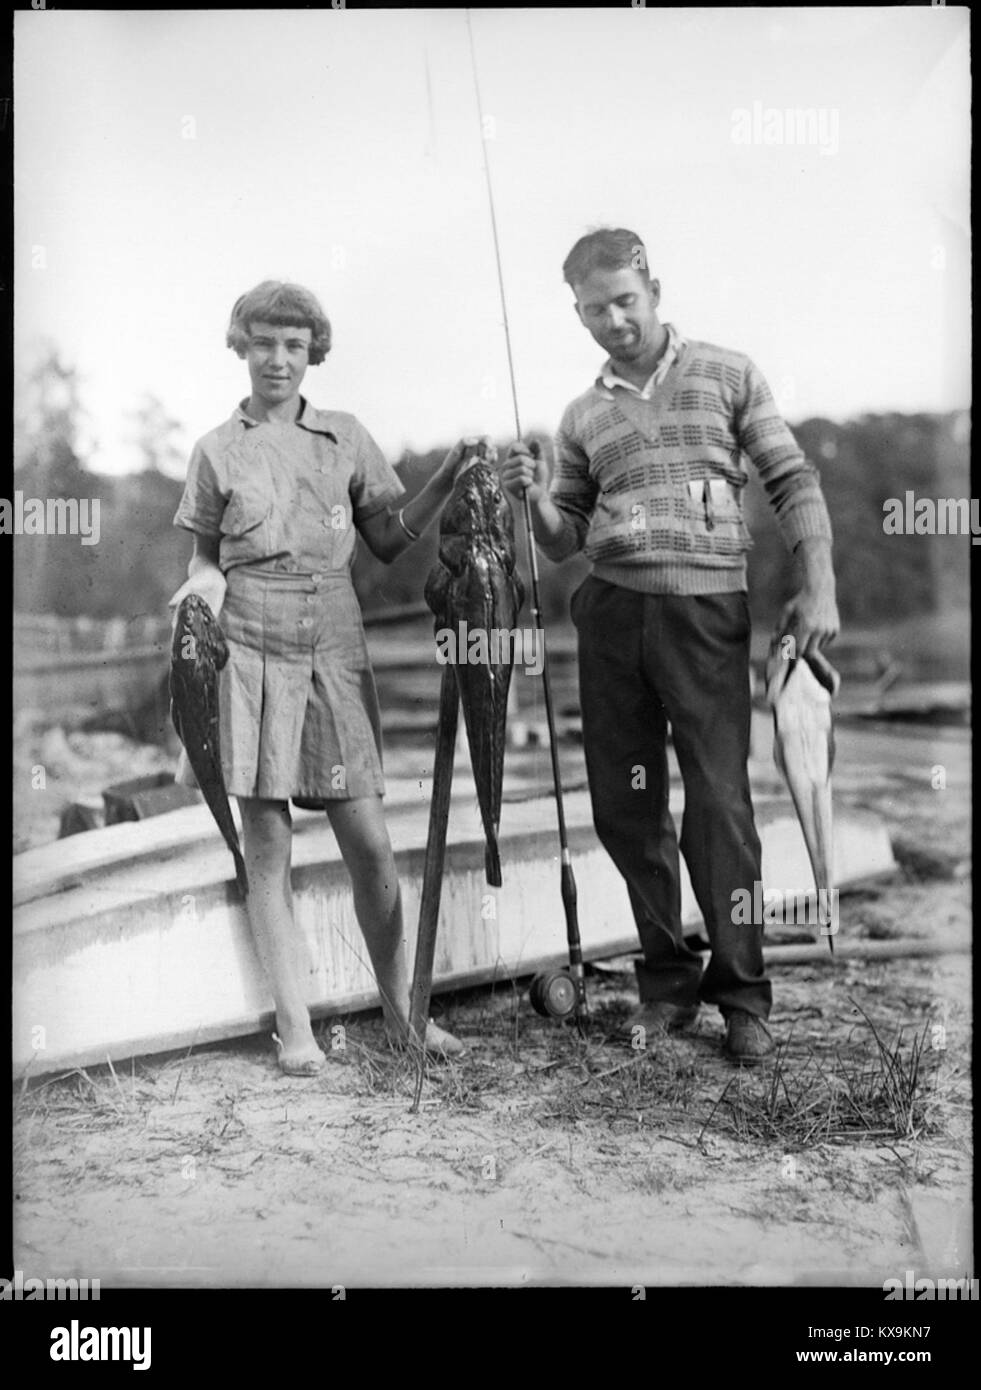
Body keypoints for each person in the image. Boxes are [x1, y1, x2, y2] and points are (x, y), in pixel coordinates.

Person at [501, 229, 839, 1065]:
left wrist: (818, 582)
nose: (613, 320)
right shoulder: (581, 414)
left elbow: (791, 478)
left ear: (653, 288)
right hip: (610, 614)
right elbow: (564, 536)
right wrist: (538, 501)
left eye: (625, 300)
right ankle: (665, 983)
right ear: (575, 313)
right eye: (593, 309)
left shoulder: (727, 371)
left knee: (720, 806)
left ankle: (741, 994)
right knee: (624, 807)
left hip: (704, 614)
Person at [171, 280, 473, 1075]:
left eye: (294, 346)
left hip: (332, 639)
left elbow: (385, 537)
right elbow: (204, 554)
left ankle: (406, 1018)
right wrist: (203, 583)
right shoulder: (216, 449)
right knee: (265, 845)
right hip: (249, 639)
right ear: (241, 346)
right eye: (264, 343)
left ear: (313, 354)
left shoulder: (344, 437)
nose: (278, 359)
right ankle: (295, 1032)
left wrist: (446, 474)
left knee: (370, 844)